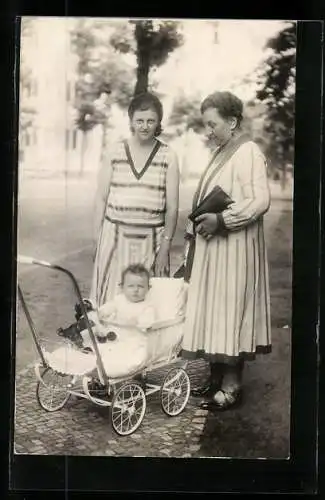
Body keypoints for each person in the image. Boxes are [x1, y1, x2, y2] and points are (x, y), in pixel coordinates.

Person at [181, 91, 271, 411]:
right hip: (215, 249)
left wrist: (222, 220)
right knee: (213, 310)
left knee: (230, 311)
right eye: (206, 125)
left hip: (234, 249)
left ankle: (232, 387)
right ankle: (217, 378)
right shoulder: (223, 151)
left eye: (213, 124)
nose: (208, 131)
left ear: (232, 122)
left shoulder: (247, 152)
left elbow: (260, 201)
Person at [90, 92, 180, 307]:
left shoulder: (168, 155)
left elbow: (173, 207)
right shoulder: (114, 151)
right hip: (114, 236)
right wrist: (97, 239)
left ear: (159, 122)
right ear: (131, 121)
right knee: (109, 302)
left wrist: (165, 248)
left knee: (150, 304)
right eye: (139, 120)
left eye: (151, 121)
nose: (145, 126)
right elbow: (101, 198)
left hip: (153, 239)